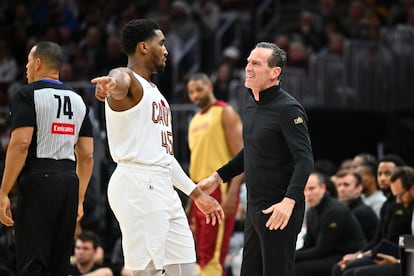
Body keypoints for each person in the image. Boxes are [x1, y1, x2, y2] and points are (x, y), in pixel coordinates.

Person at [90, 18, 224, 276]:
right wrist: (111, 84)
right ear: (143, 47)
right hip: (137, 182)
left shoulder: (155, 92)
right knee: (148, 271)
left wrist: (195, 194)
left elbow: (165, 157)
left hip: (161, 183)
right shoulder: (128, 80)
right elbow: (120, 79)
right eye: (161, 43)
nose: (166, 49)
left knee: (185, 268)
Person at [198, 42, 314, 276]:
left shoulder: (288, 109)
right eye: (248, 61)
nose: (248, 67)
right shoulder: (251, 104)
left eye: (256, 63)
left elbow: (305, 160)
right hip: (254, 206)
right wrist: (217, 177)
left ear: (275, 73)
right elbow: (250, 151)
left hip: (279, 209)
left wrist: (288, 202)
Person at [0, 41, 94, 274]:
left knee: (33, 263)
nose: (26, 67)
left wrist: (3, 191)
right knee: (60, 264)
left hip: (38, 181)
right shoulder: (78, 99)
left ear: (38, 63)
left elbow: (21, 144)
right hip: (70, 183)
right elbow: (87, 154)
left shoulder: (26, 94)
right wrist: (80, 198)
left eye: (29, 62)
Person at [186, 72, 244, 275]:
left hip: (221, 188)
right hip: (199, 192)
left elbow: (241, 156)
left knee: (213, 253)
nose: (195, 95)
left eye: (199, 89)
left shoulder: (225, 112)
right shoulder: (194, 121)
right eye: (191, 92)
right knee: (202, 252)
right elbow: (196, 164)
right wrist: (190, 202)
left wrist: (231, 195)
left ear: (210, 87)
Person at [332, 166, 414, 276]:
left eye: (400, 195)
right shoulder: (388, 205)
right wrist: (359, 255)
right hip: (396, 256)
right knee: (342, 269)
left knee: (357, 272)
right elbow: (378, 239)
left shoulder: (402, 208)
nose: (398, 200)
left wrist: (399, 261)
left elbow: (391, 240)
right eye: (379, 173)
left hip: (399, 257)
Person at [294, 172, 366, 276]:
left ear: (323, 188)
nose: (308, 193)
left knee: (298, 268)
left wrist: (291, 256)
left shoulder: (334, 210)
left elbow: (321, 250)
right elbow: (308, 245)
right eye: (305, 190)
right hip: (328, 254)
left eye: (312, 188)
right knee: (290, 264)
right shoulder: (311, 212)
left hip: (345, 255)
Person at [334, 169, 378, 242]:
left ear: (359, 188)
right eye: (339, 185)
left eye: (346, 185)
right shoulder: (342, 210)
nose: (341, 189)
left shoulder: (363, 212)